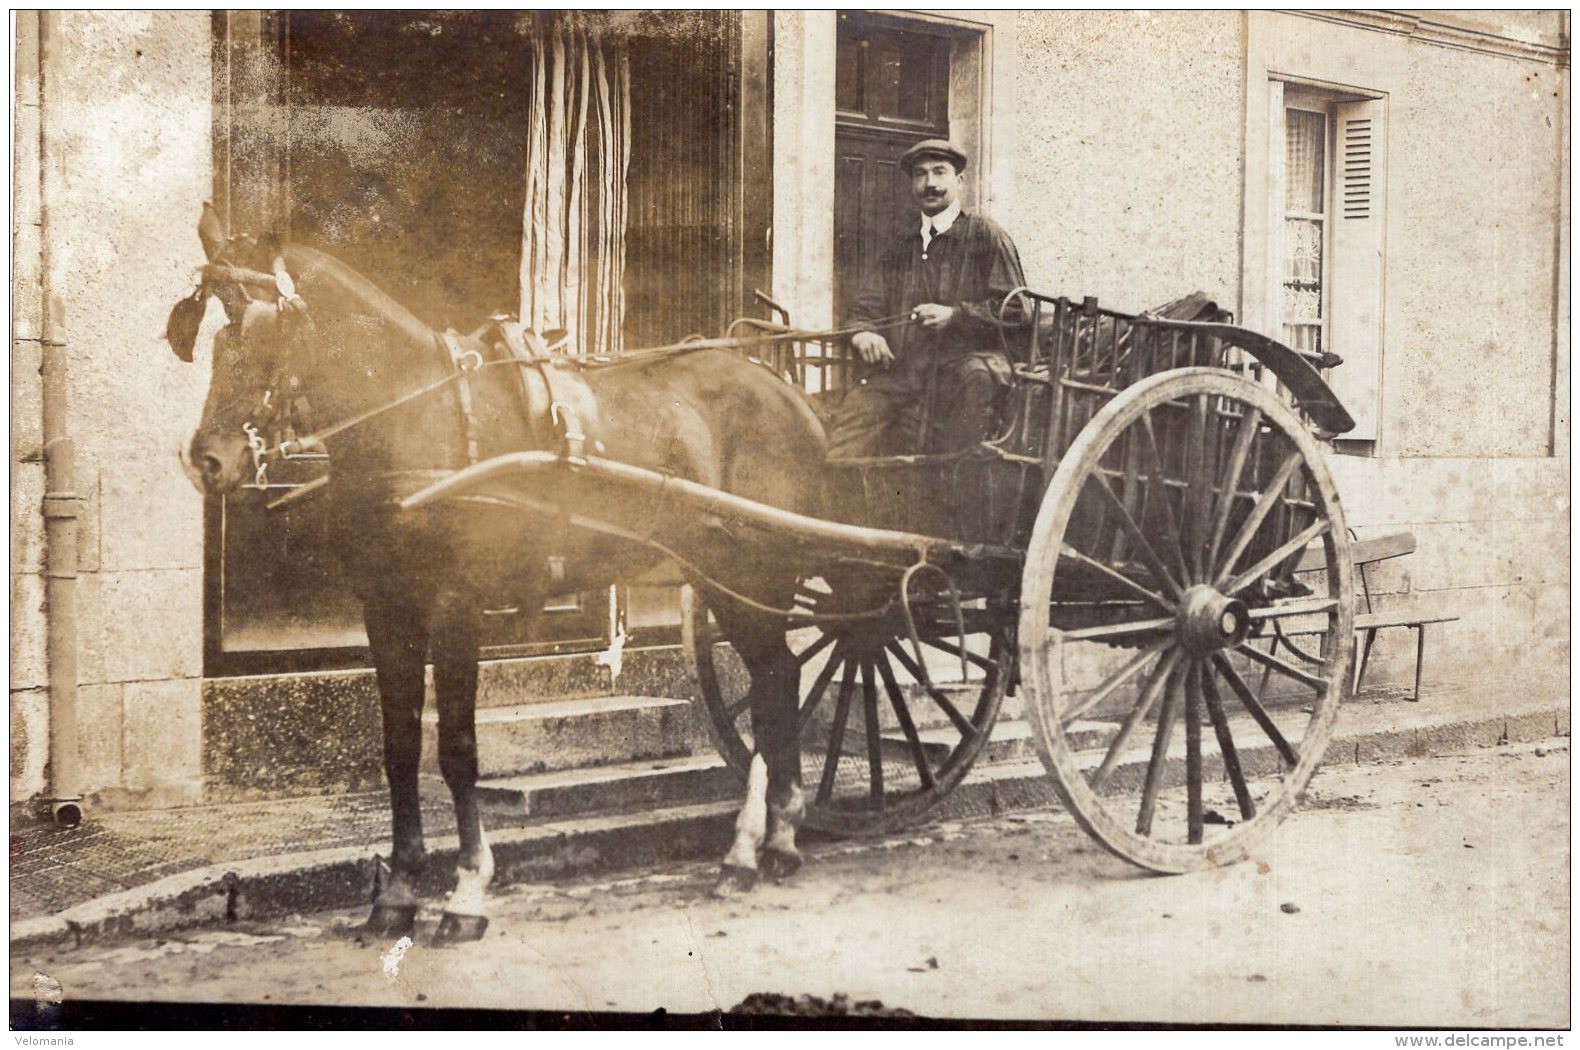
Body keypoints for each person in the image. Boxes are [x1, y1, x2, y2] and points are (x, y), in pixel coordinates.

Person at [827, 138, 1027, 458]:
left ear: (959, 181)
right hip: (905, 374)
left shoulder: (986, 235)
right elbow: (865, 305)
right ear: (912, 185)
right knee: (844, 440)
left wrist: (956, 315)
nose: (930, 183)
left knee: (951, 459)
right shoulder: (902, 244)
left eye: (939, 172)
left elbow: (1017, 309)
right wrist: (863, 331)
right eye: (920, 175)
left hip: (962, 373)